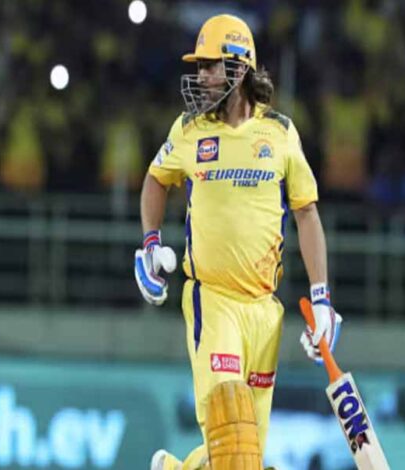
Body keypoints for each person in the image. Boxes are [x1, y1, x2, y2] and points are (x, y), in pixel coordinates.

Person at [133, 14, 342, 469]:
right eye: (199, 67)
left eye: (211, 66)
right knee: (231, 434)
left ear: (240, 66)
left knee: (244, 458)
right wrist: (150, 244)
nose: (201, 77)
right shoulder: (189, 130)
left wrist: (322, 299)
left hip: (264, 312)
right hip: (214, 300)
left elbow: (306, 213)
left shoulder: (280, 133)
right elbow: (155, 179)